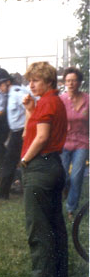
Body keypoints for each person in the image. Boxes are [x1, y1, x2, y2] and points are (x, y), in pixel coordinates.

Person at [19, 62, 68, 277]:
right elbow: (31, 131)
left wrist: (25, 161)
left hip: (41, 166)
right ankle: (59, 275)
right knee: (54, 222)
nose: (31, 84)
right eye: (30, 80)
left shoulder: (47, 102)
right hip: (54, 165)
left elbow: (40, 138)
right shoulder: (51, 101)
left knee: (38, 223)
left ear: (48, 81)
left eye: (36, 80)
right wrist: (30, 109)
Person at [0, 69, 27, 200]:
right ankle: (3, 191)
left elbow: (29, 111)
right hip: (16, 132)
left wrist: (27, 130)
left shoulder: (17, 93)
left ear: (8, 82)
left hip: (23, 132)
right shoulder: (10, 94)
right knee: (10, 162)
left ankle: (3, 191)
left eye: (1, 84)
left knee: (11, 161)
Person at [60, 67, 88, 222]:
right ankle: (64, 192)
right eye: (68, 81)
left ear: (79, 82)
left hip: (82, 142)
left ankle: (71, 208)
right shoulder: (61, 100)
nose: (71, 83)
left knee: (76, 177)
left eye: (74, 80)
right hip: (64, 142)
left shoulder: (88, 100)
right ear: (65, 82)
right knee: (62, 175)